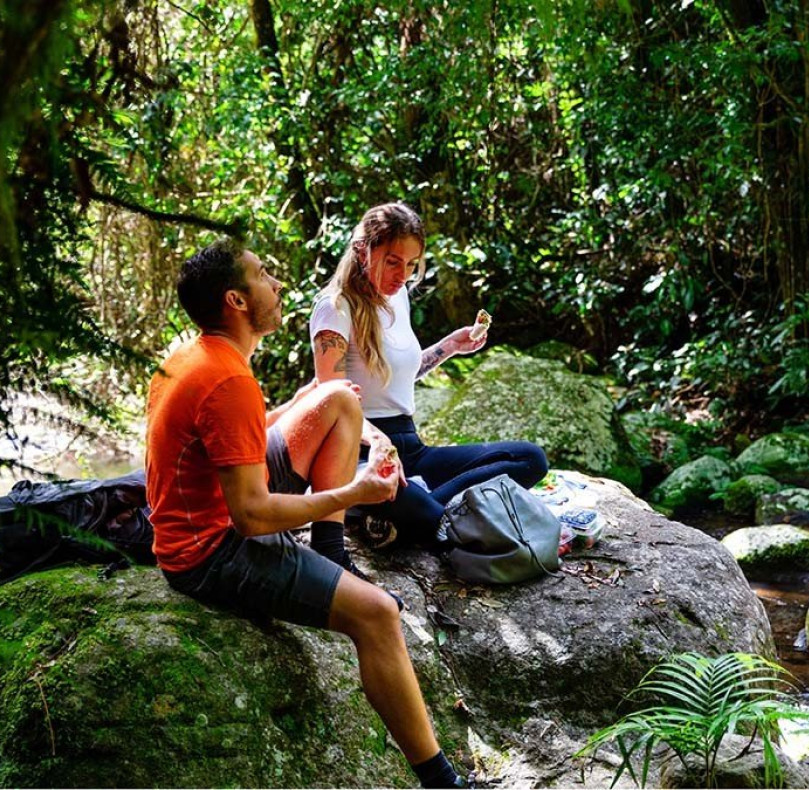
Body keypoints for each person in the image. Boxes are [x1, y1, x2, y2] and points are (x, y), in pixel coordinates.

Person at [145, 239, 466, 788]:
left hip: (220, 503)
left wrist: (296, 404)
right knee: (379, 614)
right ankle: (441, 781)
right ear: (236, 301)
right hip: (207, 551)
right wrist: (355, 493)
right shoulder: (227, 380)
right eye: (264, 275)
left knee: (338, 396)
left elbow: (229, 444)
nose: (277, 285)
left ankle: (330, 549)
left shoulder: (195, 356)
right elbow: (251, 516)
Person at [309, 202, 548, 543]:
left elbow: (398, 375)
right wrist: (377, 442)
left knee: (530, 459)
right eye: (393, 262)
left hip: (410, 447)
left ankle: (397, 513)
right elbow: (328, 396)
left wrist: (449, 346)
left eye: (410, 265)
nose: (402, 275)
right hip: (358, 451)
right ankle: (385, 506)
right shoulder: (335, 307)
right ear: (363, 250)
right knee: (433, 520)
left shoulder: (398, 297)